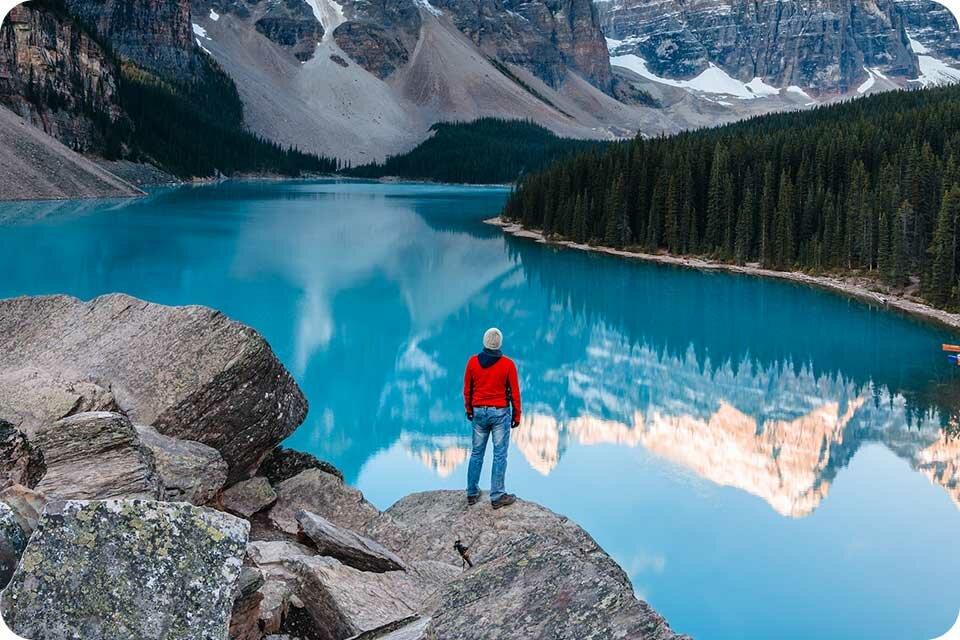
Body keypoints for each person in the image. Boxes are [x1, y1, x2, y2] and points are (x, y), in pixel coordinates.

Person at [463, 327, 522, 509]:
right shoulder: (508, 364)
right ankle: (497, 495)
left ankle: (472, 493)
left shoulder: (472, 362)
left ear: (485, 341)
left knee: (476, 453)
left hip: (478, 412)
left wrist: (469, 409)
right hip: (499, 413)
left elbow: (467, 390)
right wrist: (516, 415)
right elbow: (515, 393)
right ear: (499, 343)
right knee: (499, 454)